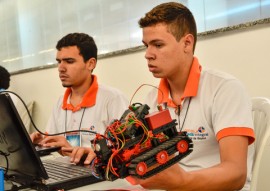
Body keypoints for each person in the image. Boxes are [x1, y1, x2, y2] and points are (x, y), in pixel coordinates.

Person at [126, 2, 255, 191]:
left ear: (187, 43)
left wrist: (181, 181)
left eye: (158, 45)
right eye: (146, 46)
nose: (148, 54)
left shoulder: (224, 89)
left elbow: (236, 174)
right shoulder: (152, 98)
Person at [31, 33, 129, 164]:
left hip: (101, 175)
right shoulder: (61, 102)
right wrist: (42, 143)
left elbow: (128, 149)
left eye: (69, 61)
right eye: (59, 62)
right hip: (68, 171)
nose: (61, 68)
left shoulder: (113, 99)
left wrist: (82, 151)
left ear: (90, 64)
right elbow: (54, 140)